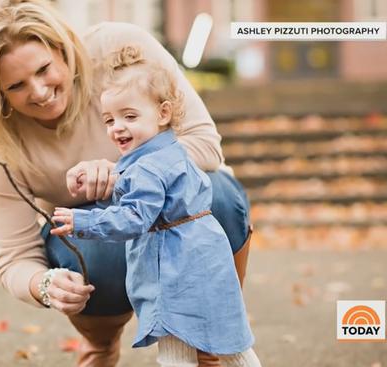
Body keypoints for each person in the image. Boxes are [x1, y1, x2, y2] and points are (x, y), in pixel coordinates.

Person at [0, 0, 253, 365]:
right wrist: (44, 285)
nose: (40, 91)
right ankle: (102, 342)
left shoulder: (118, 50)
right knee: (88, 252)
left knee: (216, 196)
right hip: (98, 242)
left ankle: (207, 340)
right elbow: (14, 258)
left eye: (44, 69)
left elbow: (204, 144)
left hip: (173, 211)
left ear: (61, 49)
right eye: (17, 85)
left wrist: (119, 173)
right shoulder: (2, 143)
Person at [50, 45, 261, 367]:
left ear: (162, 113)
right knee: (228, 341)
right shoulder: (171, 151)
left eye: (129, 116)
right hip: (204, 255)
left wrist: (83, 221)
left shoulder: (148, 166)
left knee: (176, 348)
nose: (117, 127)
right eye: (109, 119)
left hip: (175, 267)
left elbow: (135, 217)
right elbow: (147, 197)